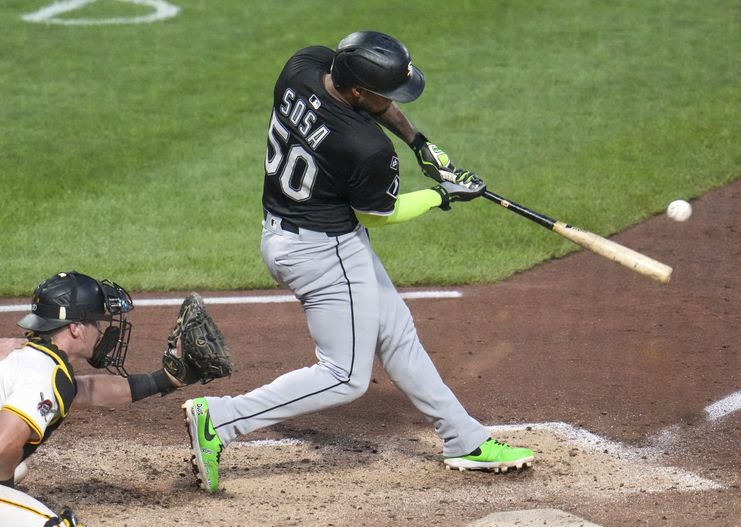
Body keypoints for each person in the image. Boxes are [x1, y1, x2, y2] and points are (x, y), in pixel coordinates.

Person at [183, 30, 535, 493]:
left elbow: (371, 103)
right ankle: (221, 418)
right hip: (324, 253)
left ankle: (464, 439)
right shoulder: (365, 147)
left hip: (289, 230)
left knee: (396, 332)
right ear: (355, 92)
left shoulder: (303, 66)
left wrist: (419, 143)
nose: (390, 101)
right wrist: (441, 195)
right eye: (382, 93)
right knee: (345, 377)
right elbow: (378, 215)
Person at [0, 271, 228, 526]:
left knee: (15, 466)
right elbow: (3, 445)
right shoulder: (42, 373)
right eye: (97, 322)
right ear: (75, 328)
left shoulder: (30, 356)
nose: (100, 331)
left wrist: (164, 380)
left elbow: (86, 391)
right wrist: (6, 488)